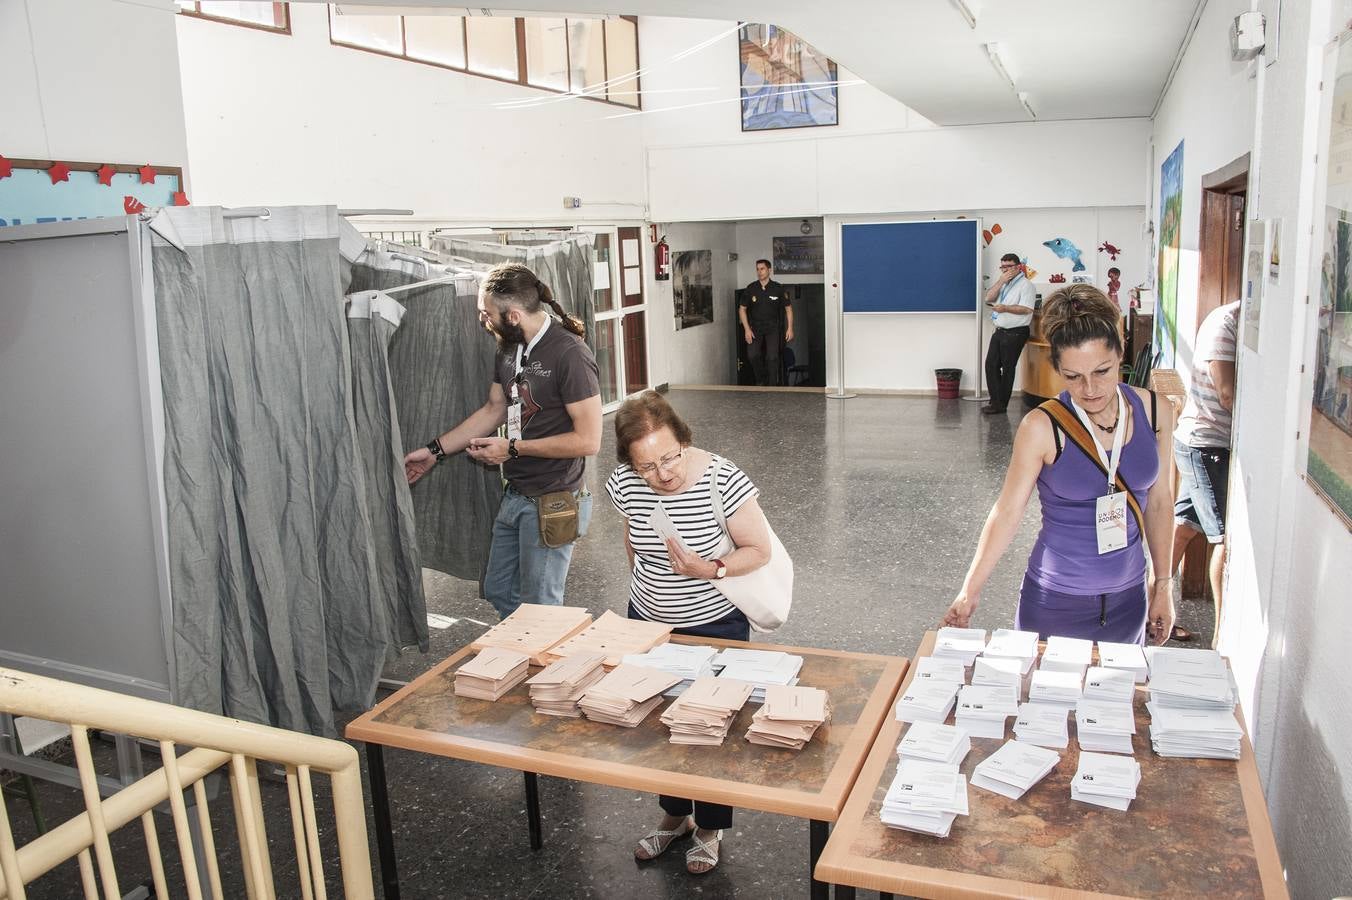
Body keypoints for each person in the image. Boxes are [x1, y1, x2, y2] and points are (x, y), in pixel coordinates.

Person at [944, 284, 1177, 645]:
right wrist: (969, 590)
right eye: (1073, 377)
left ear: (1121, 354)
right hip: (1055, 602)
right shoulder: (1041, 427)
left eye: (1102, 371)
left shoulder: (1157, 411)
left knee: (1115, 699)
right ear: (1057, 369)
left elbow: (1161, 501)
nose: (1090, 389)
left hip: (1129, 600)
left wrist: (1163, 585)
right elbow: (1007, 511)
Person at [605, 390, 772, 875]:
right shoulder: (627, 483)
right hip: (651, 623)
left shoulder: (722, 478)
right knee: (662, 724)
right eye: (647, 467)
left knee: (709, 727)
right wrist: (646, 590)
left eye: (669, 458)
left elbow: (758, 550)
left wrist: (711, 568)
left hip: (716, 624)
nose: (663, 474)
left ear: (683, 439)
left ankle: (710, 827)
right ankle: (675, 815)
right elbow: (632, 535)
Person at [404, 263, 601, 619]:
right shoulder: (509, 349)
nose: (483, 321)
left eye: (486, 313)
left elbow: (589, 440)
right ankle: (530, 646)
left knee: (542, 607)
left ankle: (546, 660)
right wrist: (434, 451)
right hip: (516, 492)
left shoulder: (569, 353)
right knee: (499, 588)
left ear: (512, 315)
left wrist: (512, 448)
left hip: (554, 497)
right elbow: (495, 408)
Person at [1170, 300, 1239, 646]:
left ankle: (1151, 610)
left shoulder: (1228, 318)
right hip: (1206, 444)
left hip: (1200, 441)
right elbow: (1227, 394)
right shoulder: (1227, 323)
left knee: (1183, 528)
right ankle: (1221, 639)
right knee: (1225, 540)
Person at [983, 253, 1037, 414]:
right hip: (1000, 330)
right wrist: (1000, 281)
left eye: (1008, 267)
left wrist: (1005, 308)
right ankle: (995, 401)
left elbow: (1027, 309)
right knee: (990, 365)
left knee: (1008, 368)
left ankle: (1001, 404)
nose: (1005, 270)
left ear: (1018, 267)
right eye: (1003, 267)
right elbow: (989, 297)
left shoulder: (1026, 285)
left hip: (1016, 333)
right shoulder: (1004, 283)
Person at [738, 259, 794, 386]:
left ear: (769, 270)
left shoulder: (778, 288)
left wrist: (790, 328)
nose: (759, 272)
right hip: (756, 328)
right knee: (752, 355)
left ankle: (772, 386)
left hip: (773, 328)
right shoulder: (751, 288)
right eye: (757, 269)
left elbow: (788, 309)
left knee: (772, 358)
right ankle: (761, 378)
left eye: (762, 269)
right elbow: (742, 309)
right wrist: (747, 329)